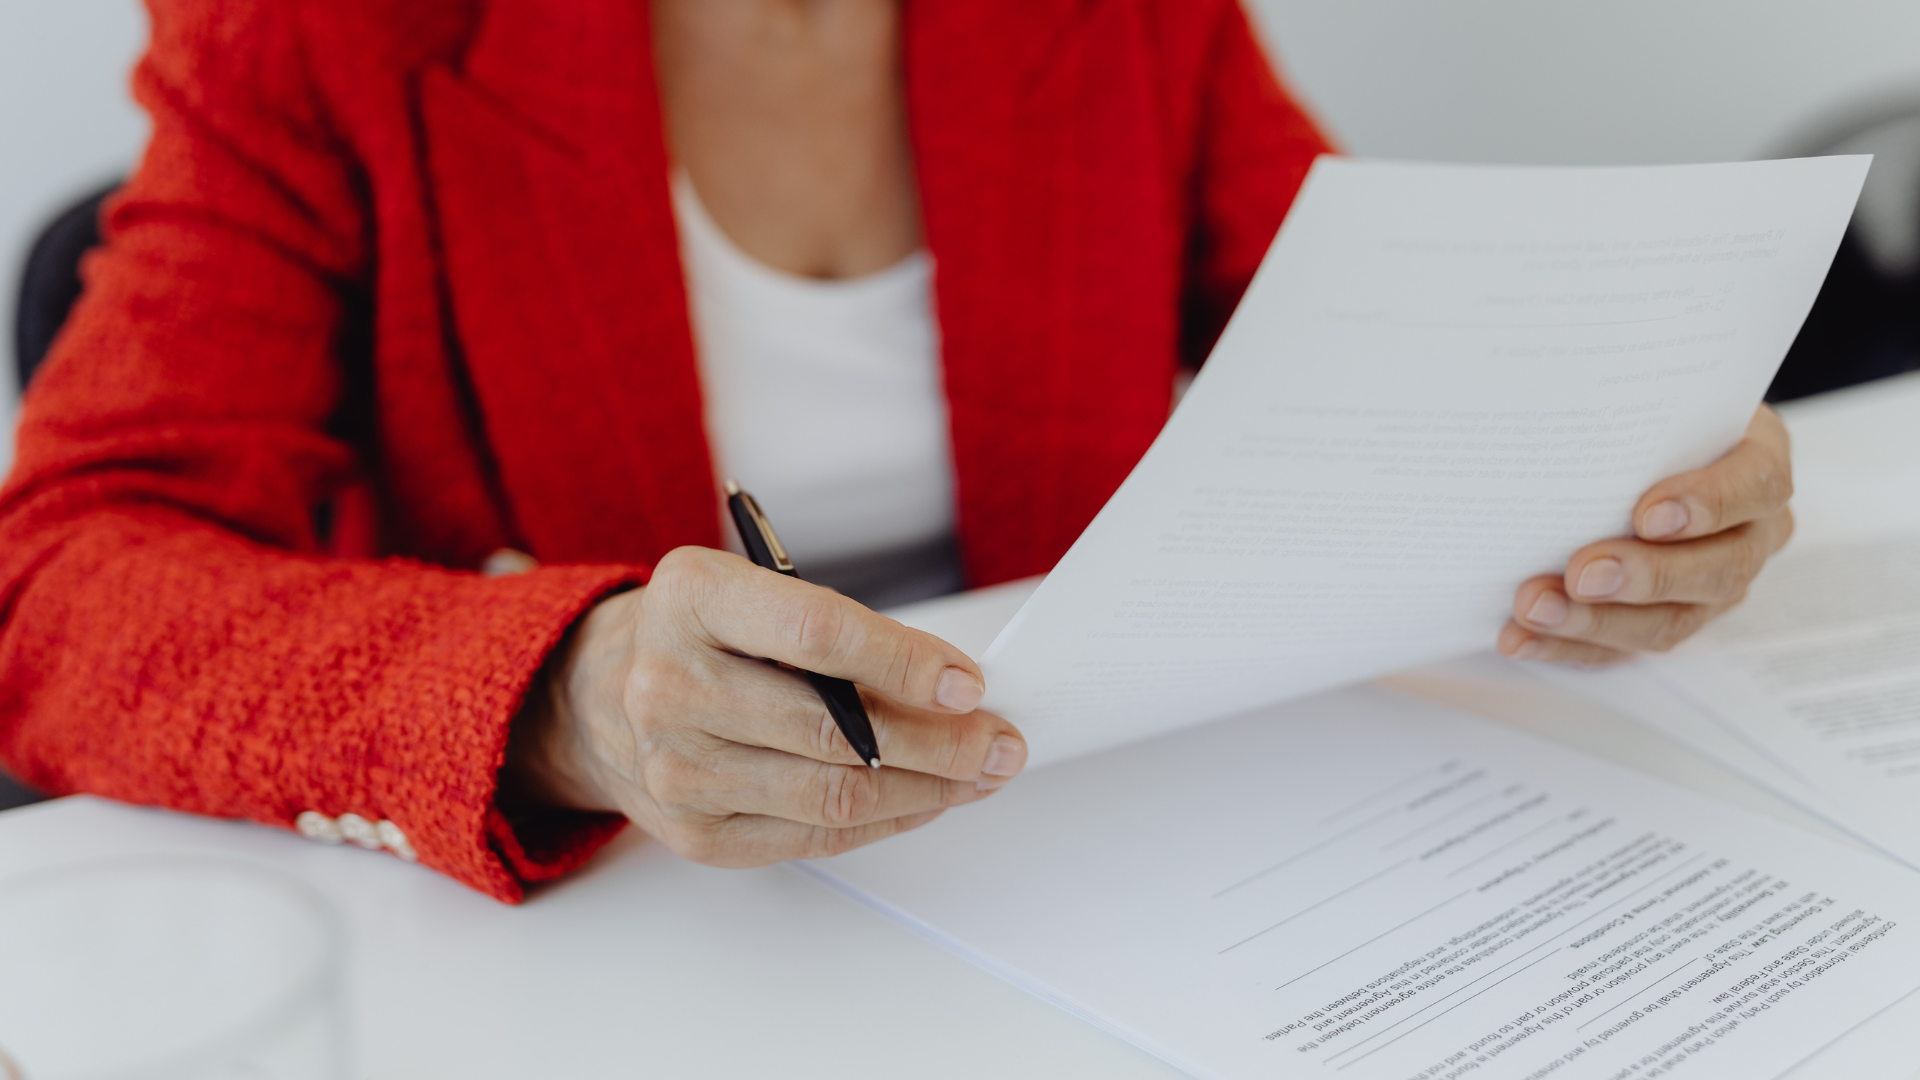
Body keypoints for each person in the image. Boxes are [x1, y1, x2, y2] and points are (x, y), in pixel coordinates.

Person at [0, 0, 1793, 903]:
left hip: (1081, 864)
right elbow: (63, 571)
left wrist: (1627, 456)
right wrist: (557, 694)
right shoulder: (323, 32)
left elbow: (1354, 336)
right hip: (627, 944)